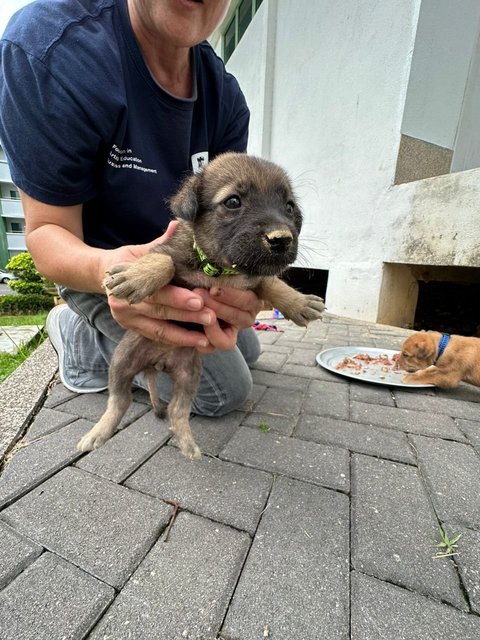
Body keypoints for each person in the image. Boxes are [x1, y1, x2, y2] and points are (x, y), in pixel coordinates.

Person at [0, 0, 262, 415]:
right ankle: (76, 334)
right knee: (222, 392)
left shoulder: (226, 98)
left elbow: (224, 226)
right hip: (99, 266)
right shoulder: (50, 50)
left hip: (180, 265)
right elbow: (47, 230)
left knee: (247, 347)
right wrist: (110, 274)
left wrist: (232, 282)